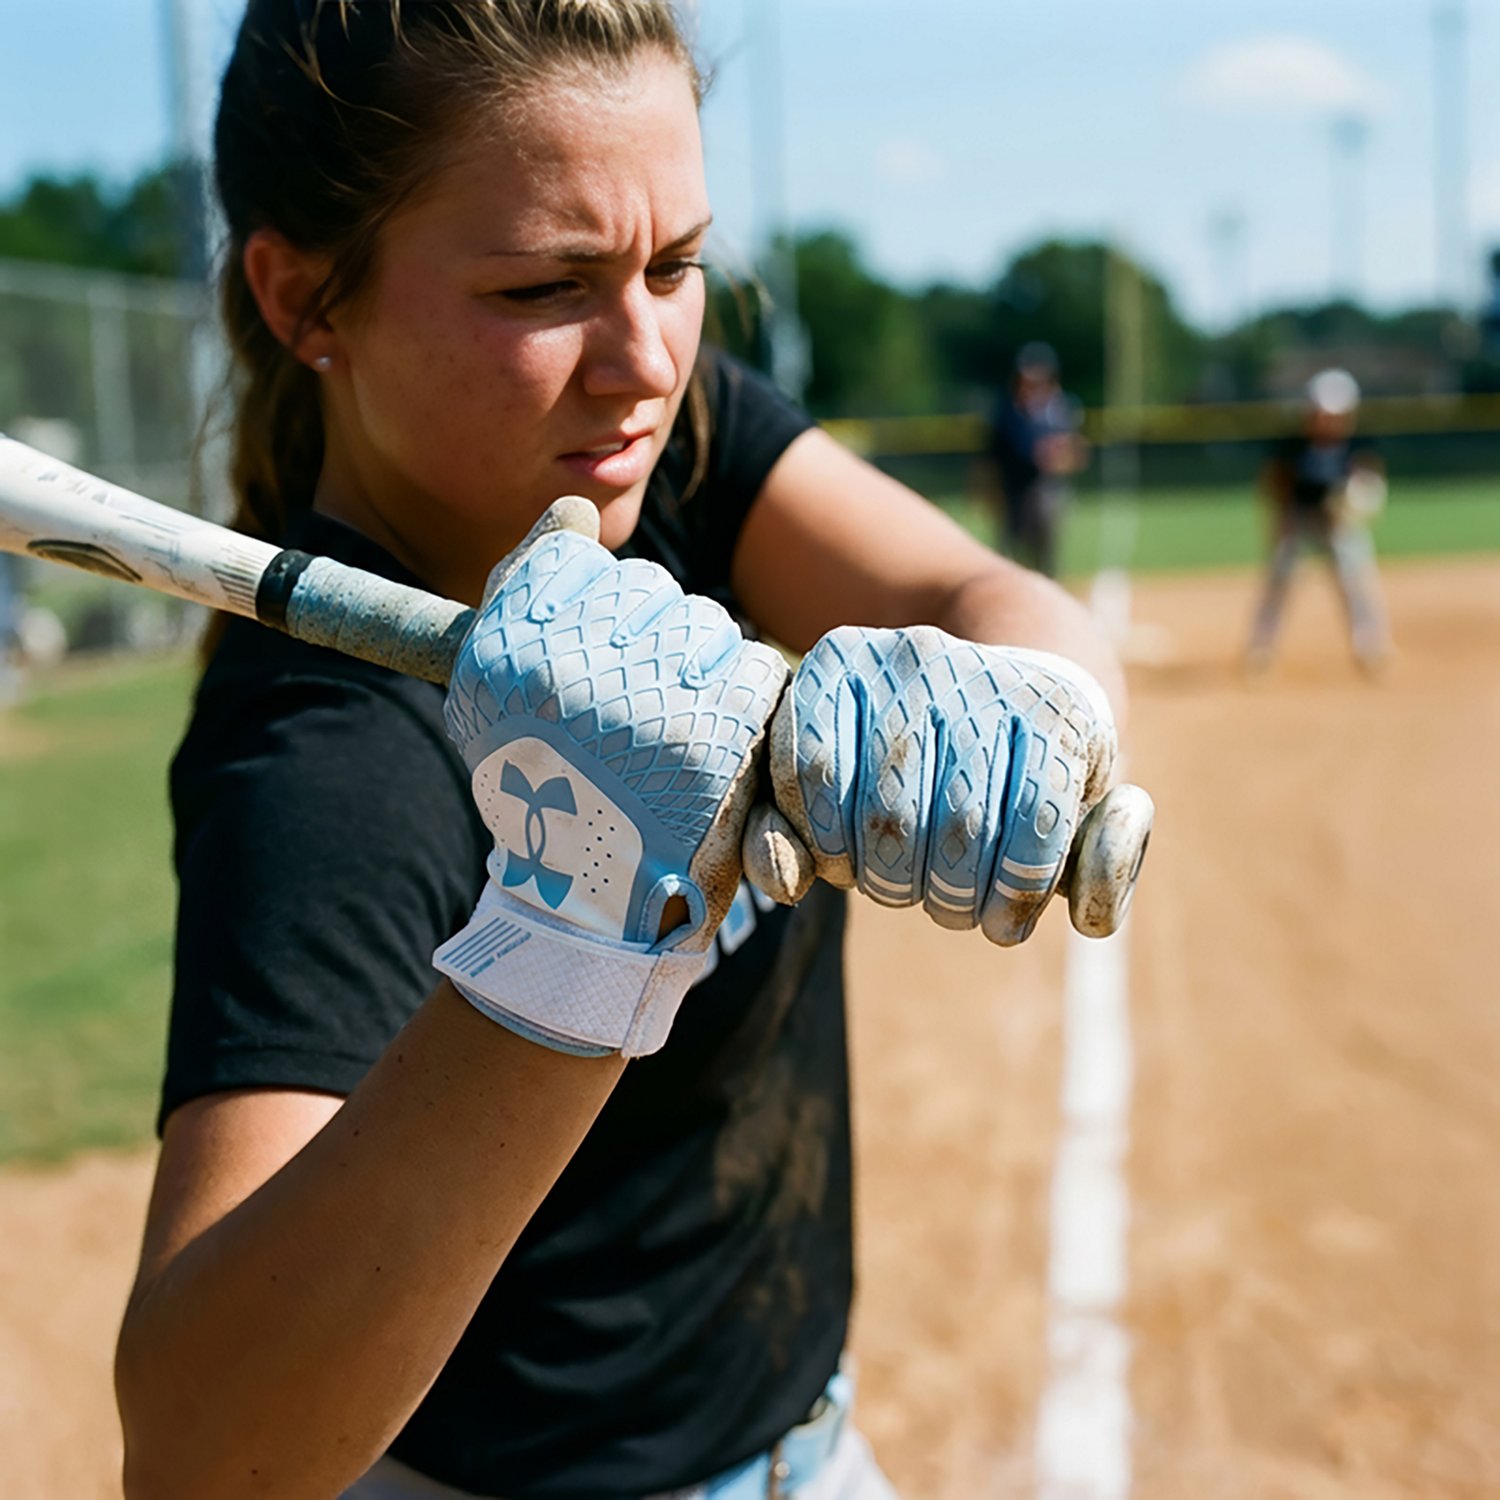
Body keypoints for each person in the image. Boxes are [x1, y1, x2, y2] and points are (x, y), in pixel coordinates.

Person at [113, 5, 1128, 1498]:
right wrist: (578, 924)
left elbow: (985, 597)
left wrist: (1035, 698)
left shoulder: (666, 452)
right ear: (299, 297)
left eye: (677, 265)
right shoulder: (324, 754)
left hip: (809, 1455)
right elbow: (200, 1456)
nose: (644, 357)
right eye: (547, 286)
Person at [1245, 368, 1392, 676]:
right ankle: (1261, 649)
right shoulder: (1293, 444)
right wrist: (1280, 521)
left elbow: (1369, 480)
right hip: (1298, 517)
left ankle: (1370, 647)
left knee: (1356, 581)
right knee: (1278, 582)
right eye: (1320, 412)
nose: (1325, 420)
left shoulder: (1356, 443)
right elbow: (1275, 482)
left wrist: (1352, 510)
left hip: (1338, 524)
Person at [983, 341, 1088, 579]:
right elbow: (989, 457)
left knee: (1045, 561)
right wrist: (987, 489)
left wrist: (1059, 458)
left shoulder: (1060, 409)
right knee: (1007, 559)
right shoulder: (1006, 411)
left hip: (1045, 493)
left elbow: (1077, 453)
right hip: (1012, 495)